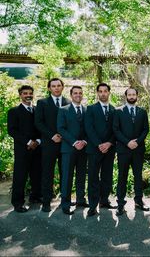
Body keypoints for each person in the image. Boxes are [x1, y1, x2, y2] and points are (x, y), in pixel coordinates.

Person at [35, 78, 71, 212]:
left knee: (65, 173)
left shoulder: (68, 102)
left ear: (62, 87)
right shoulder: (42, 103)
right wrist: (52, 135)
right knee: (47, 173)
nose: (56, 88)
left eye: (58, 86)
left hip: (65, 144)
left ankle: (64, 201)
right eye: (53, 86)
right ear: (49, 88)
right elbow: (38, 122)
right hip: (49, 144)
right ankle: (46, 202)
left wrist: (64, 136)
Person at [113, 88, 150, 215]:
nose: (132, 96)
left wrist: (137, 142)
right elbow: (116, 130)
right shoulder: (118, 111)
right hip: (123, 149)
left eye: (134, 94)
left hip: (138, 150)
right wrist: (128, 142)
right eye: (129, 94)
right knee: (122, 177)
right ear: (126, 96)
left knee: (138, 176)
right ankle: (120, 204)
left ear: (137, 96)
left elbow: (146, 129)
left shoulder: (142, 112)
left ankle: (139, 201)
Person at [7, 85, 42, 212]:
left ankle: (35, 197)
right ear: (20, 95)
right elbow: (12, 130)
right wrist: (28, 142)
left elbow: (41, 127)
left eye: (30, 93)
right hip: (22, 149)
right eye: (25, 93)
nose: (28, 95)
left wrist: (38, 141)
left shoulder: (37, 110)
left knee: (37, 174)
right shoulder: (14, 111)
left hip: (37, 148)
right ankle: (18, 203)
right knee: (20, 177)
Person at [84, 83, 117, 217]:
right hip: (94, 149)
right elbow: (89, 128)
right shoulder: (90, 109)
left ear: (109, 93)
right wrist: (99, 144)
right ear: (97, 93)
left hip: (109, 149)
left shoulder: (114, 110)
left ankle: (104, 200)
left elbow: (116, 129)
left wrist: (109, 143)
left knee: (107, 176)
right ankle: (92, 205)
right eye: (100, 91)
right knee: (93, 177)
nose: (103, 93)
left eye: (105, 91)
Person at [57, 86, 88, 215]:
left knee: (81, 175)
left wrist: (84, 141)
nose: (78, 95)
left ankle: (80, 199)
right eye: (75, 93)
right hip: (69, 148)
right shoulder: (63, 110)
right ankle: (66, 203)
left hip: (84, 148)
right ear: (71, 95)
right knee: (67, 177)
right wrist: (75, 142)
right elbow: (61, 128)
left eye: (80, 93)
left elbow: (90, 128)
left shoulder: (87, 110)